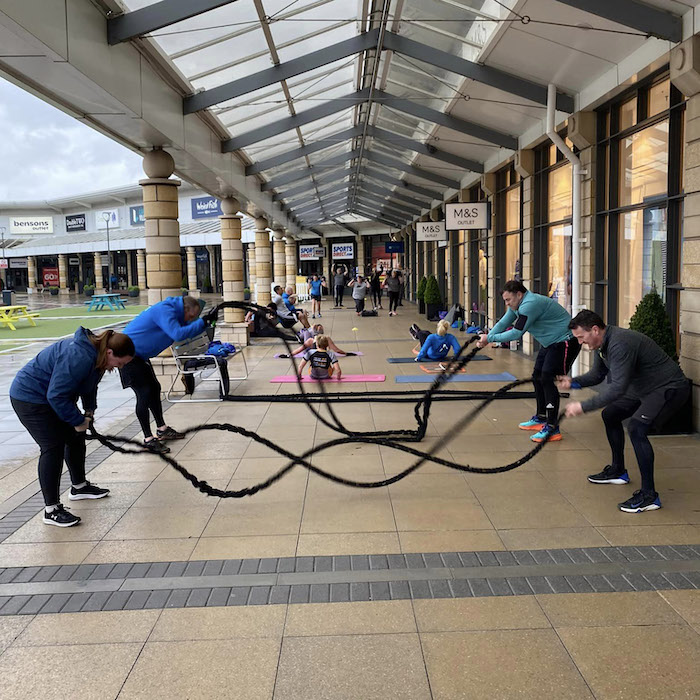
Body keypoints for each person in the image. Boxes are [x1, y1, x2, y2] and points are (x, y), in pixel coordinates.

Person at [558, 310, 690, 513]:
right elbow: (597, 375)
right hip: (643, 389)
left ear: (594, 329)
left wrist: (583, 406)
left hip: (668, 388)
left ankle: (649, 496)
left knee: (637, 429)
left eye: (581, 337)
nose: (580, 343)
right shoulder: (602, 343)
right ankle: (618, 471)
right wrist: (574, 382)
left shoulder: (620, 343)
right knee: (610, 415)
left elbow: (617, 388)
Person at [10, 329, 135, 527]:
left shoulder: (98, 355)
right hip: (30, 398)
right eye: (120, 363)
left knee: (75, 438)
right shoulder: (79, 356)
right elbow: (56, 395)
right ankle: (51, 510)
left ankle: (79, 487)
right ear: (110, 352)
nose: (120, 367)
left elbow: (89, 385)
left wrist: (88, 411)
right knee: (52, 447)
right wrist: (77, 421)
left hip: (52, 398)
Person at [476, 280, 579, 443]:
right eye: (505, 300)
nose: (507, 304)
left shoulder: (529, 304)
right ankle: (541, 417)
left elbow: (517, 333)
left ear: (519, 294)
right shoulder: (518, 305)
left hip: (565, 341)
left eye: (509, 300)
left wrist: (489, 338)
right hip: (550, 343)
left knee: (546, 378)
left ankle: (552, 427)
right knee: (537, 376)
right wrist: (487, 338)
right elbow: (503, 322)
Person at [120, 295, 215, 454]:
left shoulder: (174, 313)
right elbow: (177, 334)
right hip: (126, 355)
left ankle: (162, 429)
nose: (191, 319)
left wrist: (204, 323)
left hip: (140, 356)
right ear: (185, 309)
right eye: (191, 316)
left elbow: (185, 332)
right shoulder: (165, 309)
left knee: (154, 388)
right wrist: (202, 322)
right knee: (143, 394)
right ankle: (148, 439)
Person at [280, 324, 352, 357]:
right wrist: (346, 353)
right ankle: (309, 330)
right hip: (319, 352)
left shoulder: (311, 340)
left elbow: (299, 350)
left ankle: (308, 330)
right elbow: (337, 350)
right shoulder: (327, 338)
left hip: (311, 352)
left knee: (306, 332)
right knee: (306, 332)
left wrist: (288, 355)